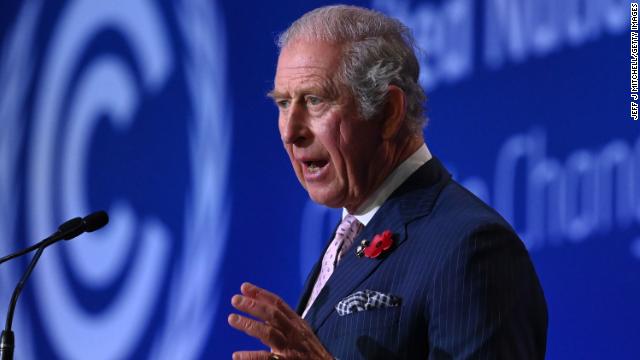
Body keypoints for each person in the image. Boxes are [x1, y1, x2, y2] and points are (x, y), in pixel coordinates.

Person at [228, 5, 547, 359]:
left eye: (315, 100)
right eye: (284, 103)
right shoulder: (349, 239)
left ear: (389, 111)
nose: (290, 131)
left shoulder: (472, 248)